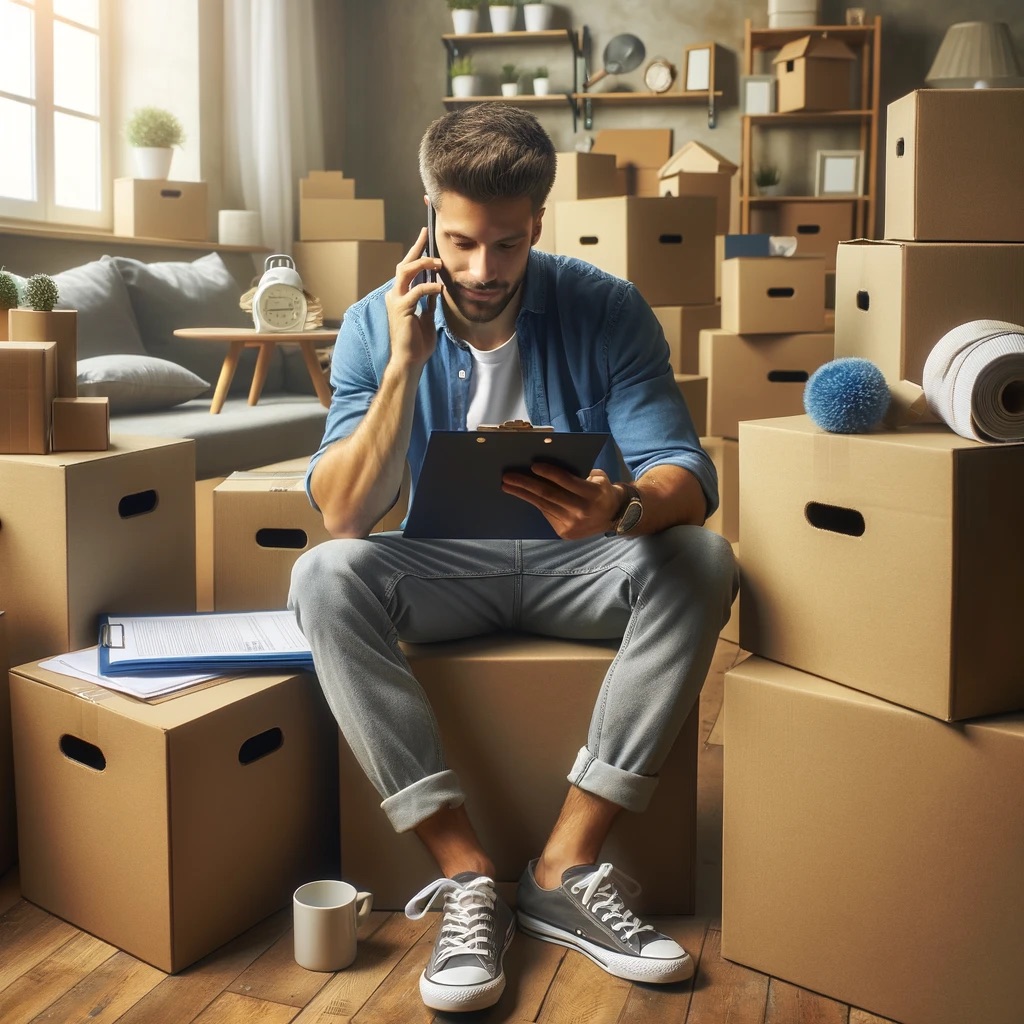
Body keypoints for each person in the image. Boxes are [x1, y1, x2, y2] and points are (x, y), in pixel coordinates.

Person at [289, 103, 737, 1013]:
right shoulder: (381, 322)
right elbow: (342, 513)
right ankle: (466, 877)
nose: (480, 271)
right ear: (427, 212)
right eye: (458, 242)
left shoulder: (606, 306)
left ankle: (566, 866)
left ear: (540, 218)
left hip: (584, 567)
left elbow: (685, 469)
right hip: (443, 570)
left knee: (702, 558)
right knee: (323, 576)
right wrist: (402, 368)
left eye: (505, 245)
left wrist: (623, 508)